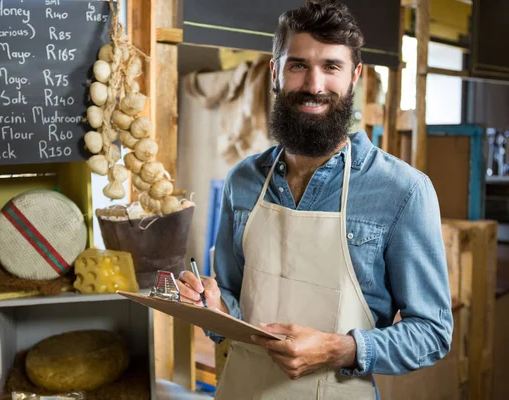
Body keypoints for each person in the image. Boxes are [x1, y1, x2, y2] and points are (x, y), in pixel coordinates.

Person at [176, 0, 453, 398]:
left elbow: (432, 332)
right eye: (298, 65)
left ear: (355, 76)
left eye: (331, 67)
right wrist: (213, 309)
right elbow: (232, 306)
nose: (314, 85)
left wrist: (342, 349)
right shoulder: (243, 181)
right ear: (276, 72)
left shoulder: (403, 191)